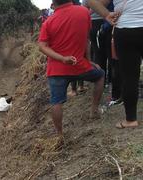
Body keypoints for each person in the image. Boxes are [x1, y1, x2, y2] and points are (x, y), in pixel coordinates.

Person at [38, 0, 105, 135]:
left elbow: (42, 46)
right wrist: (89, 61)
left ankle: (59, 134)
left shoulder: (48, 22)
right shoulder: (84, 12)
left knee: (56, 102)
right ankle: (94, 111)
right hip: (80, 66)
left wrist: (62, 59)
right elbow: (87, 39)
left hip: (56, 70)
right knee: (100, 75)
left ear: (53, 3)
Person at [88, 0, 143, 128]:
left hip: (125, 29)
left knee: (130, 77)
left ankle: (130, 120)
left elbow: (92, 1)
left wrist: (106, 14)